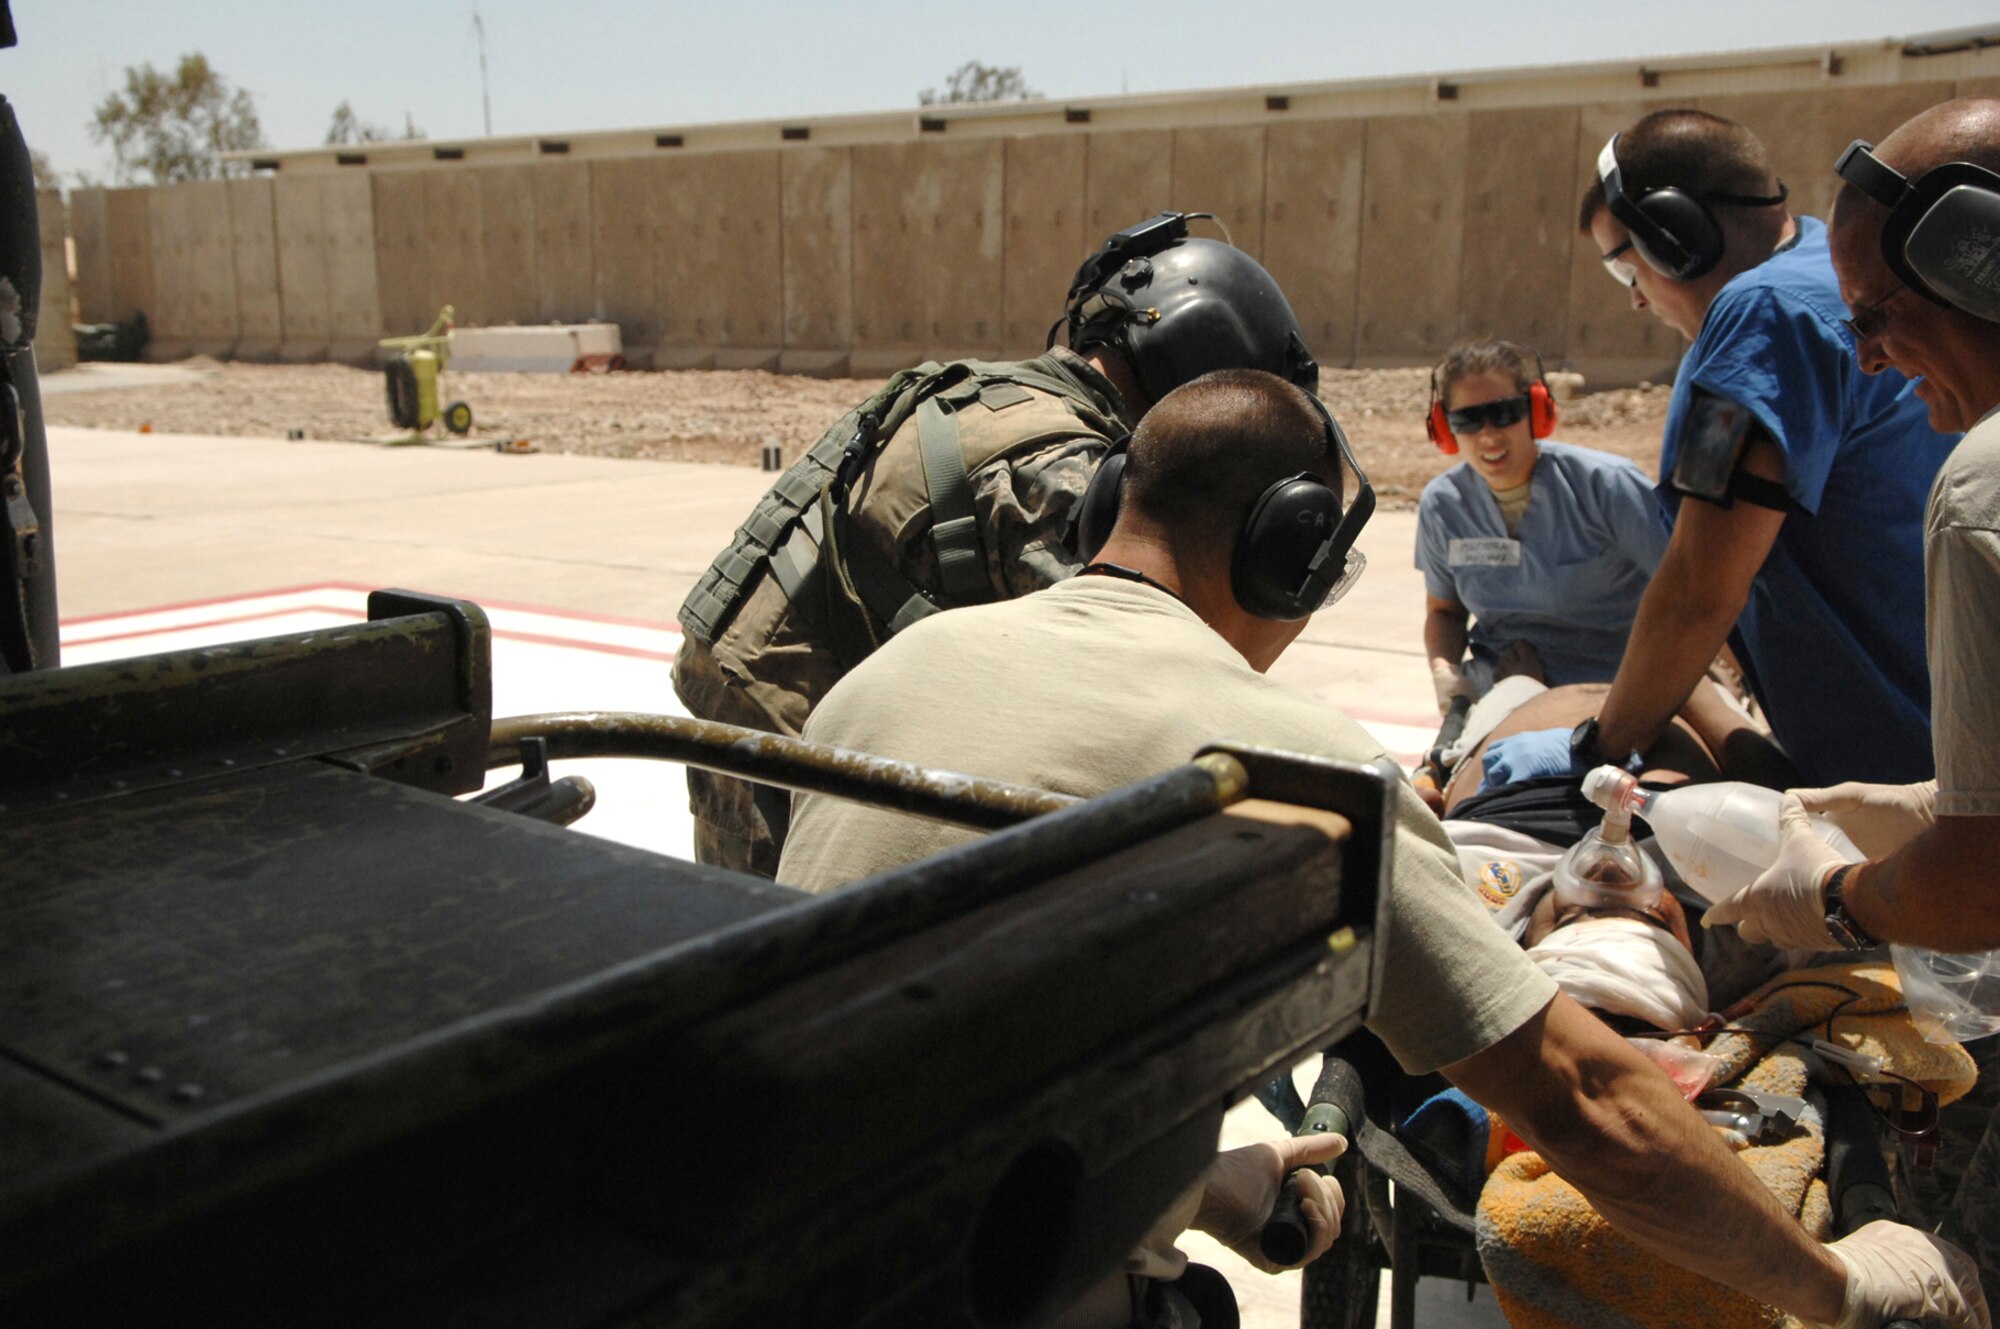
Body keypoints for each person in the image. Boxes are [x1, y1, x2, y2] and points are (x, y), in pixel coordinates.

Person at [778, 369, 1986, 1327]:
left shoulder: (889, 674)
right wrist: (1837, 1286)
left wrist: (1187, 1185)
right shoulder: (1284, 763)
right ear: (1292, 551)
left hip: (780, 1241)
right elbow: (1580, 1098)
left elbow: (932, 1048)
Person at [672, 211, 1318, 875]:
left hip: (760, 689)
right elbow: (1142, 660)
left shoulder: (998, 392)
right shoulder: (1064, 467)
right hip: (789, 721)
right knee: (787, 955)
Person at [1702, 96, 2000, 1297]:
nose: (1867, 355)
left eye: (1882, 317)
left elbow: (1980, 889)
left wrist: (1831, 894)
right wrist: (1933, 798)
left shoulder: (1978, 486)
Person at [1490, 108, 1957, 790]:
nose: (1637, 303)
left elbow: (1697, 586)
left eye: (1626, 270)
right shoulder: (1822, 275)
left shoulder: (1759, 321)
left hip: (1897, 774)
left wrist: (1600, 745)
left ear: (1676, 239)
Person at [1417, 338, 1667, 711]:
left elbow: (1694, 589)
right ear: (1445, 428)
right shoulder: (1443, 506)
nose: (1488, 435)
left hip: (1613, 695)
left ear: (1537, 411)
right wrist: (1446, 673)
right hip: (1498, 693)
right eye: (1467, 420)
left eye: (1504, 413)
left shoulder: (1607, 487)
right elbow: (1444, 612)